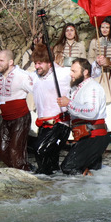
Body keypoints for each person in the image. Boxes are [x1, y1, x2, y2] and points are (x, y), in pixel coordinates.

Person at [57, 58, 110, 176]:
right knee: (95, 171)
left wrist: (69, 103)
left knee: (68, 167)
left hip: (94, 136)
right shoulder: (79, 87)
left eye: (74, 71)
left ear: (85, 72)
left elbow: (91, 111)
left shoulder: (92, 87)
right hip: (85, 135)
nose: (71, 74)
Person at [26, 43, 70, 174]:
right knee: (49, 161)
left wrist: (98, 64)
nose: (37, 66)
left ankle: (44, 179)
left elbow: (85, 73)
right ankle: (53, 186)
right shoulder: (34, 76)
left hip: (60, 125)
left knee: (40, 150)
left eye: (40, 63)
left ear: (49, 63)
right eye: (35, 63)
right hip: (44, 126)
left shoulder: (62, 74)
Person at [87, 16, 111, 149]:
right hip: (98, 77)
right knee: (99, 105)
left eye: (107, 27)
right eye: (102, 27)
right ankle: (101, 136)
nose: (104, 29)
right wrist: (96, 63)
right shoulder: (94, 42)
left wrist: (110, 63)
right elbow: (89, 59)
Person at [0, 49, 34, 170]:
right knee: (2, 150)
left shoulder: (22, 76)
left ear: (10, 62)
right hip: (6, 119)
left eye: (1, 61)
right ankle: (18, 171)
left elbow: (37, 91)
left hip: (20, 118)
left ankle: (24, 173)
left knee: (15, 151)